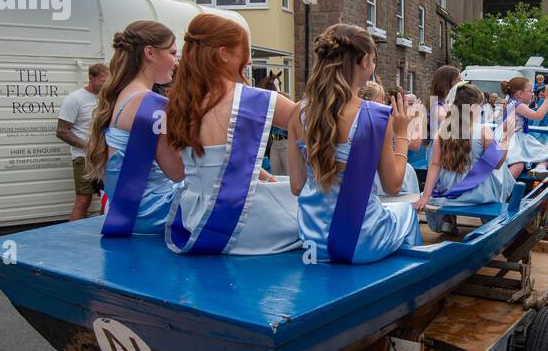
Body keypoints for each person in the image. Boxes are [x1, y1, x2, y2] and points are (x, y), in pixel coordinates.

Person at [161, 14, 300, 255]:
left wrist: (265, 176)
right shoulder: (258, 100)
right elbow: (315, 127)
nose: (247, 61)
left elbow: (193, 169)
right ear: (223, 53)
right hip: (246, 228)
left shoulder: (178, 103)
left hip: (194, 222)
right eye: (244, 52)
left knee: (281, 186)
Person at [287, 24, 421, 264]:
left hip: (312, 241)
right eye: (373, 59)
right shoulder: (376, 115)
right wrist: (401, 134)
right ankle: (409, 283)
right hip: (360, 242)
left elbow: (297, 186)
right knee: (406, 212)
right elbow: (393, 185)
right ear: (363, 62)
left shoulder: (299, 112)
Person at [86, 21, 181, 237]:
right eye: (173, 53)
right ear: (150, 52)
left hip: (125, 210)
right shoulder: (152, 103)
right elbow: (177, 172)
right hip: (154, 211)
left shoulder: (121, 95)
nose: (176, 62)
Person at [415, 83, 516, 234]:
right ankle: (490, 220)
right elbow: (497, 163)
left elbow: (435, 165)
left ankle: (448, 220)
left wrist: (426, 196)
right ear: (473, 107)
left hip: (449, 190)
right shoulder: (483, 130)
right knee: (503, 172)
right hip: (478, 194)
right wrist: (507, 137)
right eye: (481, 105)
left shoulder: (443, 129)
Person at [58, 63, 110, 221]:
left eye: (109, 80)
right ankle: (74, 240)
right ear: (91, 78)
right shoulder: (75, 99)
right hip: (84, 158)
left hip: (105, 158)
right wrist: (90, 147)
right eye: (103, 80)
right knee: (83, 200)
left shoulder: (107, 98)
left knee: (107, 200)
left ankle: (102, 237)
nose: (106, 84)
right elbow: (61, 131)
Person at [498, 76, 548, 179]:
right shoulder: (519, 105)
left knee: (544, 152)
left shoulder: (511, 102)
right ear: (520, 94)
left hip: (511, 135)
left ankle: (540, 169)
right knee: (544, 154)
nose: (532, 93)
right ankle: (504, 186)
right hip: (514, 138)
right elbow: (538, 116)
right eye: (530, 91)